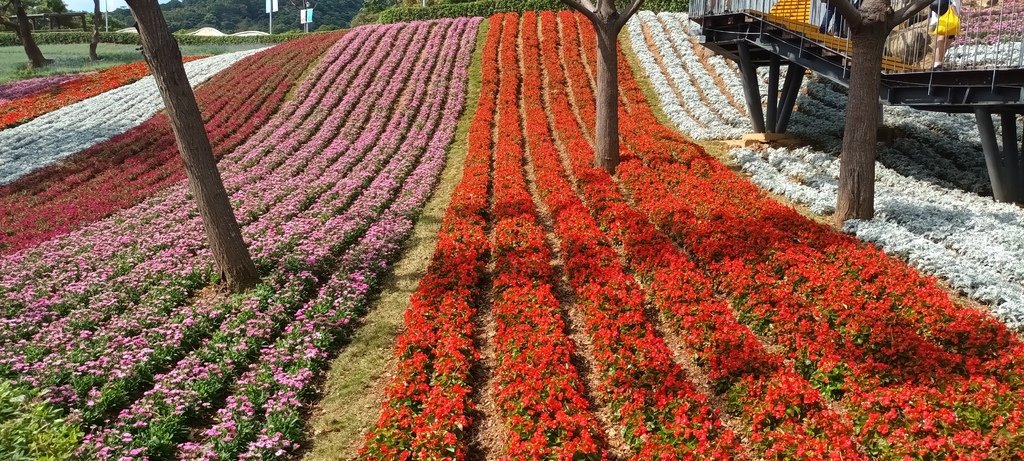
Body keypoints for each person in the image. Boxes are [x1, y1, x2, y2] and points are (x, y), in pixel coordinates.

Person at [930, 0, 961, 70]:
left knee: (949, 39)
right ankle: (937, 64)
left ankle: (938, 62)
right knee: (942, 36)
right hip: (946, 10)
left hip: (948, 11)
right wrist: (954, 9)